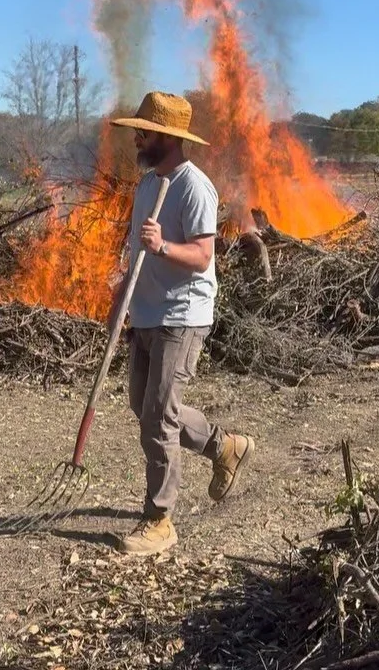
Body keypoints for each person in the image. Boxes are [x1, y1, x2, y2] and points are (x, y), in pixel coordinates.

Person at [109, 91, 255, 556]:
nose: (137, 137)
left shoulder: (195, 187)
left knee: (157, 416)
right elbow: (137, 253)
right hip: (147, 312)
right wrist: (120, 300)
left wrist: (164, 246)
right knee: (146, 406)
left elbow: (203, 256)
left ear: (168, 138)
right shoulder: (147, 187)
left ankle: (160, 519)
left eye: (145, 131)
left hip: (182, 315)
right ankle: (224, 447)